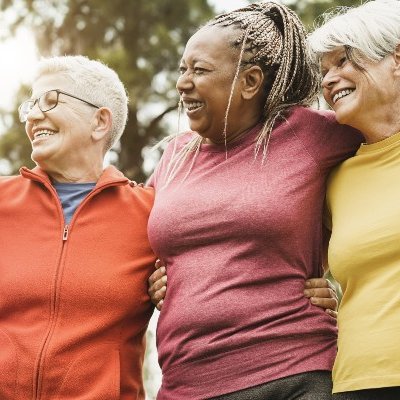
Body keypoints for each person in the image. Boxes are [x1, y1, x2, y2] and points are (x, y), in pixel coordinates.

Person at [146, 2, 362, 399]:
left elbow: (385, 136)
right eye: (182, 69)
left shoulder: (306, 135)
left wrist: (344, 268)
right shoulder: (174, 156)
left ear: (250, 81)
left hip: (295, 373)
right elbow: (134, 245)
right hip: (185, 383)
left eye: (200, 70)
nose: (183, 83)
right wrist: (151, 279)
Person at [0, 55, 155, 399]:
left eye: (51, 100)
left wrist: (306, 278)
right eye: (31, 105)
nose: (34, 115)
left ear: (100, 122)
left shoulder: (153, 215)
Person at [308, 1, 400, 399]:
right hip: (355, 383)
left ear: (397, 59)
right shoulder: (334, 181)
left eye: (343, 61)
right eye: (324, 71)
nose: (329, 80)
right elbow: (286, 267)